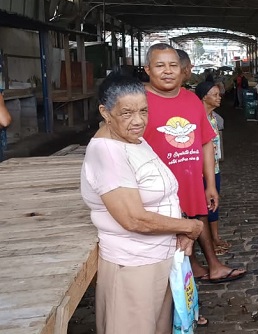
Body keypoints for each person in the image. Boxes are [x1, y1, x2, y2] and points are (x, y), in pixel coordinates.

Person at [80, 72, 204, 333]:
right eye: (127, 113)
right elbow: (133, 218)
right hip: (133, 265)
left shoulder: (132, 139)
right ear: (105, 112)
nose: (138, 121)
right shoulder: (108, 153)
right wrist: (189, 226)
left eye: (144, 111)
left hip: (158, 257)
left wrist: (180, 230)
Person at [143, 43, 246, 283]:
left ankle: (213, 264)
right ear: (148, 69)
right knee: (171, 224)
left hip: (190, 177)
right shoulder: (140, 101)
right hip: (156, 183)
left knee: (199, 217)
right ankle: (190, 267)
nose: (167, 71)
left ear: (183, 70)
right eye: (160, 66)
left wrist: (210, 183)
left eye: (173, 66)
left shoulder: (191, 100)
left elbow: (205, 143)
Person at [195, 81, 231, 255]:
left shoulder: (213, 118)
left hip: (213, 167)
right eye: (215, 95)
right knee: (201, 205)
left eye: (219, 94)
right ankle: (206, 240)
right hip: (197, 169)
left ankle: (215, 237)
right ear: (204, 97)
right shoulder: (195, 117)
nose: (219, 97)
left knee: (214, 200)